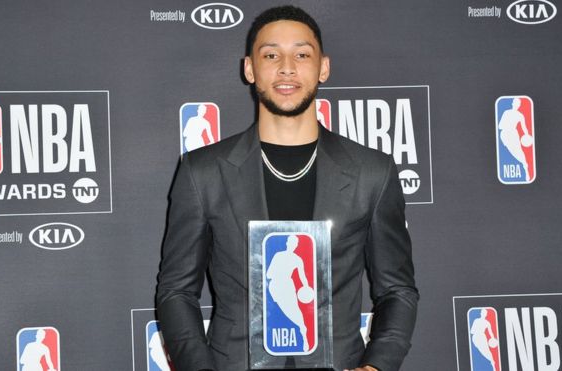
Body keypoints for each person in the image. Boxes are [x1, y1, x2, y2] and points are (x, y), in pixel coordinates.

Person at [157, 5, 418, 371]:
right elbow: (176, 292)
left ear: (323, 67)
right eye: (271, 54)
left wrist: (376, 366)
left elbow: (397, 290)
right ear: (250, 68)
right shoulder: (202, 172)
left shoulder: (372, 172)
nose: (287, 67)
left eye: (302, 54)